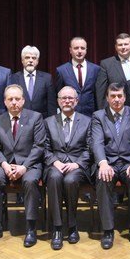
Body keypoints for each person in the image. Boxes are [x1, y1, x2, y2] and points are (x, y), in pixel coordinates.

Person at [0, 84, 46, 248]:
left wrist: (24, 167)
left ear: (23, 100)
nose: (14, 102)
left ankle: (31, 227)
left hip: (29, 164)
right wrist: (5, 165)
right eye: (10, 99)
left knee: (30, 181)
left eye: (17, 99)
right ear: (5, 102)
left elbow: (39, 146)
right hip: (5, 163)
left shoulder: (35, 117)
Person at [90, 83, 130, 250]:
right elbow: (97, 142)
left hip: (129, 162)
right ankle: (108, 231)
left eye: (119, 96)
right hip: (109, 162)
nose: (116, 99)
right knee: (102, 179)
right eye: (113, 96)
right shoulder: (98, 116)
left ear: (125, 97)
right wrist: (102, 163)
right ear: (107, 98)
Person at [43, 86, 92, 250]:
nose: (67, 101)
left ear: (76, 101)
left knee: (70, 180)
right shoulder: (48, 122)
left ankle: (72, 225)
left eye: (70, 98)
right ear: (58, 101)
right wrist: (55, 162)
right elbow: (44, 148)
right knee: (54, 177)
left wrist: (77, 164)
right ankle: (57, 228)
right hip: (55, 164)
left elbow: (90, 148)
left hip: (77, 165)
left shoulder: (87, 121)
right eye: (63, 98)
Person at [55, 37, 100, 117]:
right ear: (70, 50)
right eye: (76, 48)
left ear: (86, 50)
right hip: (70, 115)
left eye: (82, 48)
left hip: (91, 115)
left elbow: (98, 94)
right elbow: (58, 94)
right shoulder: (61, 70)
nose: (79, 51)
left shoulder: (95, 69)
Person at [9, 45, 57, 118]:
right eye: (27, 57)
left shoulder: (47, 78)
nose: (30, 60)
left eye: (34, 58)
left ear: (37, 61)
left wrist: (52, 122)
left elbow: (51, 104)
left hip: (42, 120)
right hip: (20, 119)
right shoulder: (13, 78)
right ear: (22, 60)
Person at [95, 33, 130, 109]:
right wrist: (103, 112)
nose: (123, 47)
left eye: (126, 44)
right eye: (120, 45)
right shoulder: (106, 64)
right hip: (116, 108)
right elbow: (101, 91)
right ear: (116, 47)